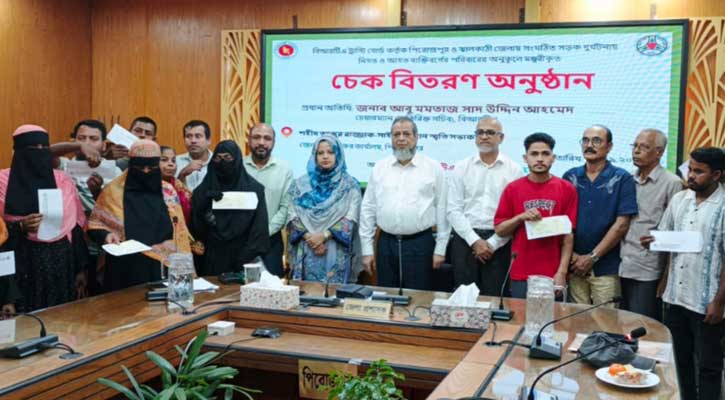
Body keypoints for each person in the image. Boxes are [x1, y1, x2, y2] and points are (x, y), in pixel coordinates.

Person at [641, 147, 724, 400]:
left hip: (707, 301)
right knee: (679, 361)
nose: (691, 176)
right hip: (676, 297)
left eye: (699, 172)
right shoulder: (680, 200)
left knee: (708, 365)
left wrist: (719, 302)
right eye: (690, 169)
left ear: (717, 175)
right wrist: (653, 241)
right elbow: (667, 238)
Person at [0, 124, 89, 312]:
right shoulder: (2, 182)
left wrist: (80, 268)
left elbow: (75, 225)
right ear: (18, 151)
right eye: (32, 148)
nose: (39, 153)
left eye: (44, 148)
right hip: (21, 263)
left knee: (61, 318)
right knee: (25, 322)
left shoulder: (62, 180)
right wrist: (20, 226)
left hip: (61, 263)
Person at [88, 140, 192, 292]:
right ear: (130, 165)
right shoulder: (113, 191)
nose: (146, 171)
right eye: (140, 168)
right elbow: (95, 225)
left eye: (151, 167)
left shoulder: (168, 191)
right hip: (124, 267)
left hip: (162, 265)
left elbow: (179, 231)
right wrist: (107, 235)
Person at [359, 116, 450, 290]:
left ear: (416, 138)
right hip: (386, 243)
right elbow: (368, 208)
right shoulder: (380, 167)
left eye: (406, 134)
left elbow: (442, 208)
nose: (401, 138)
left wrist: (440, 249)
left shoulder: (432, 167)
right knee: (387, 295)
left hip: (420, 244)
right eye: (396, 134)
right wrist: (367, 249)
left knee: (419, 296)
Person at [494, 133, 577, 298]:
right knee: (520, 314)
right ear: (525, 158)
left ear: (553, 158)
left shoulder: (567, 189)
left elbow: (568, 236)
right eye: (534, 154)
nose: (539, 159)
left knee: (552, 315)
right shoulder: (512, 189)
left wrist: (562, 272)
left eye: (545, 154)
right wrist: (521, 217)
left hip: (553, 273)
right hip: (521, 272)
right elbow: (500, 230)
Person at [563, 125, 637, 306]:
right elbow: (560, 220)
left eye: (596, 141)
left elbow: (622, 224)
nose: (589, 145)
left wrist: (592, 257)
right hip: (573, 265)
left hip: (605, 266)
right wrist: (572, 256)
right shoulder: (570, 176)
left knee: (606, 319)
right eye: (585, 140)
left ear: (609, 146)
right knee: (576, 318)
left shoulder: (622, 178)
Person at [447, 116, 522, 295]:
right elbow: (453, 210)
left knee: (495, 297)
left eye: (490, 132)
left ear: (501, 138)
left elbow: (516, 215)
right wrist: (475, 241)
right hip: (465, 241)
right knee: (464, 298)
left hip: (500, 243)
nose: (484, 136)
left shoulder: (514, 170)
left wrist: (492, 244)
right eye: (480, 132)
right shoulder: (461, 167)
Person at [52, 119, 123, 294]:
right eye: (81, 138)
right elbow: (45, 154)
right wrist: (78, 147)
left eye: (93, 139)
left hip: (102, 241)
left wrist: (97, 193)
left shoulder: (114, 171)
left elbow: (117, 211)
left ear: (104, 144)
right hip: (71, 243)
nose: (87, 143)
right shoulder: (64, 165)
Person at [619, 129, 682, 320]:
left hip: (648, 268)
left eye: (644, 147)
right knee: (619, 323)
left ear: (659, 152)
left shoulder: (672, 183)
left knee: (642, 325)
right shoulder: (627, 179)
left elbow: (676, 231)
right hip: (621, 263)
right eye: (635, 146)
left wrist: (667, 275)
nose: (636, 151)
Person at [287, 135, 362, 283]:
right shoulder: (299, 185)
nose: (325, 156)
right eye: (320, 153)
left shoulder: (350, 186)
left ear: (338, 155)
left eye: (330, 152)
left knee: (333, 293)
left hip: (335, 246)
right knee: (305, 293)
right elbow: (292, 215)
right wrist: (309, 237)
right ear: (314, 156)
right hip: (306, 246)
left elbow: (350, 218)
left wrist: (324, 236)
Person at [191, 140, 270, 276]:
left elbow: (259, 229)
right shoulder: (203, 191)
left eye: (227, 158)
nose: (222, 162)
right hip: (211, 258)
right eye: (218, 158)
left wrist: (243, 258)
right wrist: (204, 206)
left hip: (245, 259)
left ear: (237, 160)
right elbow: (195, 229)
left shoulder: (254, 189)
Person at [243, 123, 294, 277]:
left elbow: (285, 207)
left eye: (267, 138)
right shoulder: (239, 166)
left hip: (271, 240)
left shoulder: (284, 169)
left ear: (273, 142)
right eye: (256, 137)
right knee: (238, 287)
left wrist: (265, 232)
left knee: (272, 287)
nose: (261, 142)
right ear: (249, 140)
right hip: (240, 241)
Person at [176, 120, 213, 192]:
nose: (193, 141)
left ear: (208, 140)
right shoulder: (175, 162)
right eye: (188, 136)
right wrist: (182, 174)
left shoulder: (217, 161)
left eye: (198, 136)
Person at [160, 146, 192, 225]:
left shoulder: (179, 186)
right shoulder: (150, 187)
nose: (171, 164)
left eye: (173, 161)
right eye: (164, 160)